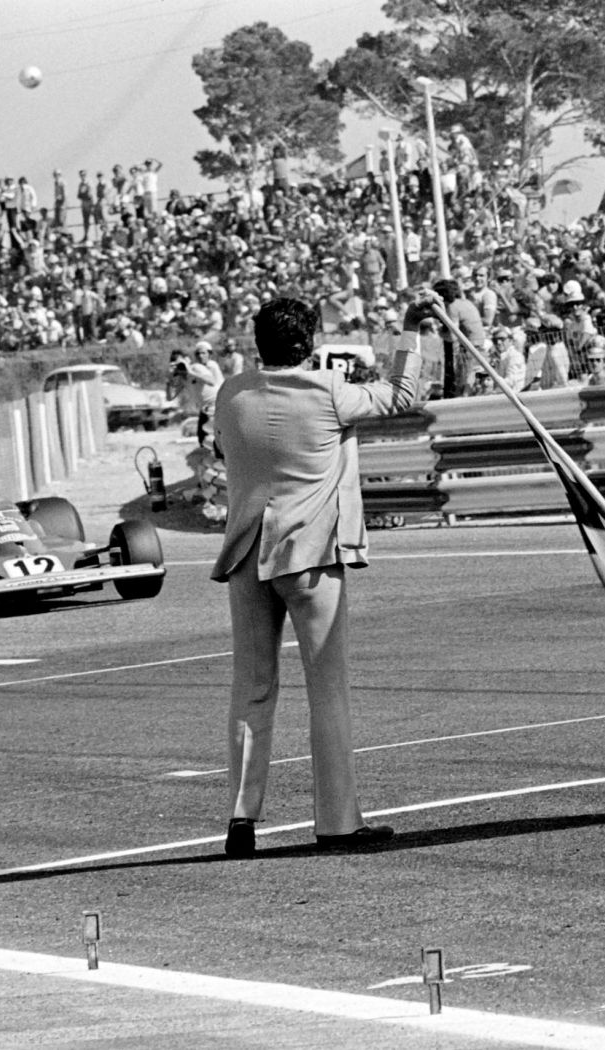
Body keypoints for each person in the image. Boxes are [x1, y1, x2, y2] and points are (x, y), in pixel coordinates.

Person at [210, 293, 429, 858]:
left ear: (259, 342)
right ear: (307, 343)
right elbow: (403, 395)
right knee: (326, 689)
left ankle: (241, 817)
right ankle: (336, 821)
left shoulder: (230, 393)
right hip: (308, 554)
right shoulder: (329, 391)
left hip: (245, 551)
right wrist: (408, 333)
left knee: (252, 689)